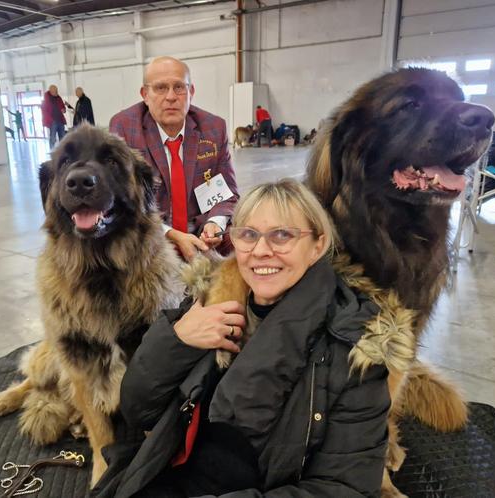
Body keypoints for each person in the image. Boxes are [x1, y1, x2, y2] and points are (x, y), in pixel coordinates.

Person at [94, 179, 391, 498]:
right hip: (172, 473)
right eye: (249, 234)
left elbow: (344, 487)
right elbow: (138, 410)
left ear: (318, 245)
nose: (261, 251)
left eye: (283, 234)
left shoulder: (354, 345)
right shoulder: (210, 299)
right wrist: (177, 341)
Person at [110, 56, 239, 261]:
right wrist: (171, 235)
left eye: (179, 87)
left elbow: (227, 194)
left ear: (191, 92)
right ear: (145, 94)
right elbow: (120, 202)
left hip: (202, 233)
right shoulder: (125, 128)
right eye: (160, 88)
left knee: (247, 240)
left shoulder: (214, 128)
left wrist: (215, 223)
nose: (171, 97)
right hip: (150, 234)